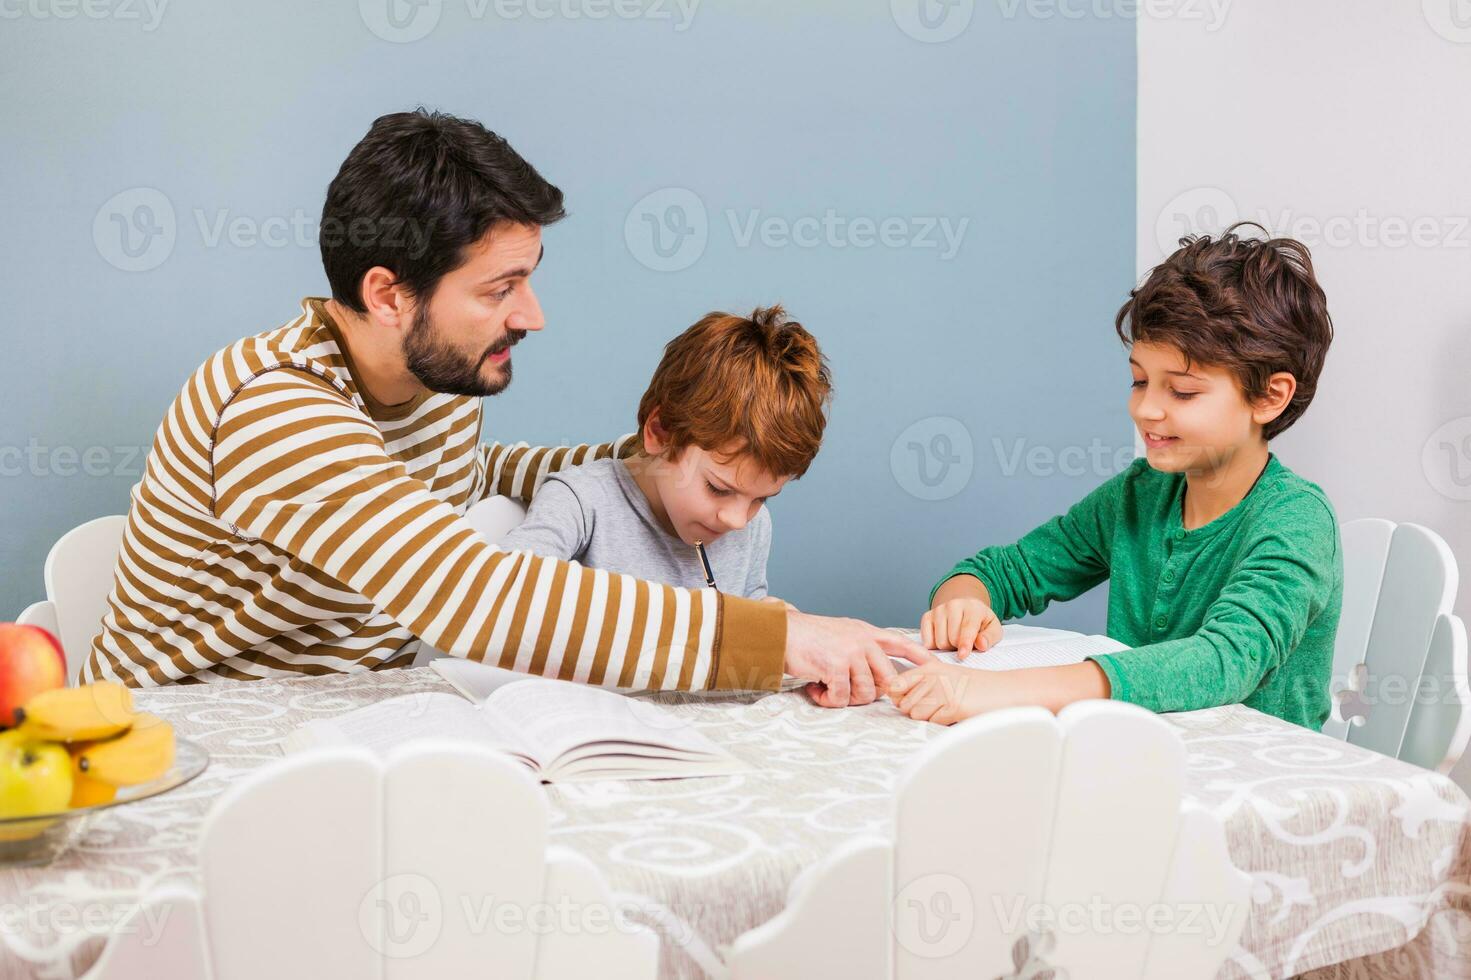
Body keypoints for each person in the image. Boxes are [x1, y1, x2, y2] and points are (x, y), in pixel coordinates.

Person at [84, 109, 928, 704]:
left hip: (365, 721)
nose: (532, 315)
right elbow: (474, 593)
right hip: (192, 745)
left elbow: (454, 477)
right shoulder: (274, 414)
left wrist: (663, 461)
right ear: (388, 294)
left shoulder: (432, 390)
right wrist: (771, 637)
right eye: (500, 288)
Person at [890, 225, 1342, 730]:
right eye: (1139, 381)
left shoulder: (1297, 519)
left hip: (1262, 786)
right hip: (1143, 765)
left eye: (1183, 392)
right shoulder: (1139, 494)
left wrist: (1005, 692)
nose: (1146, 409)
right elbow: (1009, 570)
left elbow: (1224, 660)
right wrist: (964, 601)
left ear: (1269, 397)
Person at [500, 304, 829, 604]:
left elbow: (751, 605)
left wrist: (780, 621)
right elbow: (510, 589)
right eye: (718, 489)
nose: (736, 520)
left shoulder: (754, 527)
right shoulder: (582, 501)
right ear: (660, 432)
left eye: (761, 499)